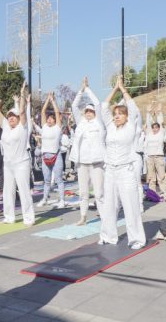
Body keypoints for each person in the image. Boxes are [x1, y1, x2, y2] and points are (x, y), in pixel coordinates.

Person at [97, 77, 146, 248]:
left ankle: (137, 239)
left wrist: (122, 89)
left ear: (126, 117)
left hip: (126, 171)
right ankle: (108, 236)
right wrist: (114, 89)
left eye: (120, 114)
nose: (117, 116)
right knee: (109, 206)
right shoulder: (110, 126)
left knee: (130, 206)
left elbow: (133, 108)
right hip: (110, 171)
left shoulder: (131, 126)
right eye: (115, 114)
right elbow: (103, 107)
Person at [0, 82, 35, 226]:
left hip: (21, 163)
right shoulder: (5, 126)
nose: (11, 118)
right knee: (7, 191)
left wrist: (23, 95)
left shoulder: (22, 128)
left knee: (24, 191)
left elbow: (23, 112)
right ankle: (9, 217)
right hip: (8, 164)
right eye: (10, 116)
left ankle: (28, 218)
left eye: (14, 116)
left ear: (18, 118)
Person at [72, 77, 106, 226]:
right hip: (82, 163)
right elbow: (74, 106)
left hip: (97, 162)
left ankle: (105, 216)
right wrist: (81, 90)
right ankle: (83, 217)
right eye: (86, 111)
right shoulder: (81, 123)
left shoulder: (99, 123)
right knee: (83, 192)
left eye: (91, 111)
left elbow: (97, 104)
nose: (89, 113)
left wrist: (88, 89)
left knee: (99, 192)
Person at [38, 92, 67, 206]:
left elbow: (56, 112)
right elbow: (42, 112)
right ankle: (44, 199)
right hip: (45, 156)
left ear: (55, 120)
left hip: (56, 156)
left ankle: (62, 200)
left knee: (59, 179)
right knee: (46, 180)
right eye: (48, 119)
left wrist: (53, 101)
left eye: (52, 119)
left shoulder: (57, 128)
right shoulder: (44, 127)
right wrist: (47, 99)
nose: (49, 120)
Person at [143, 103, 166, 201]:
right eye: (154, 127)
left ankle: (164, 193)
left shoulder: (161, 133)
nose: (155, 129)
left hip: (159, 157)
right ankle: (152, 194)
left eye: (156, 127)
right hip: (150, 157)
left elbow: (161, 123)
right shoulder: (149, 134)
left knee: (161, 176)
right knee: (151, 177)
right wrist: (148, 113)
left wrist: (159, 112)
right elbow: (148, 124)